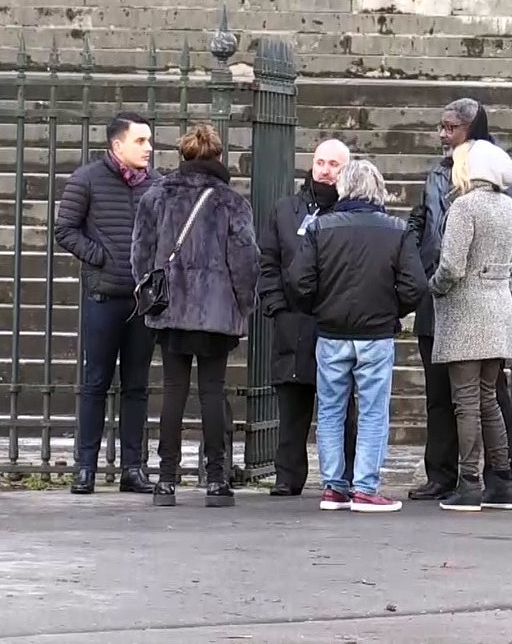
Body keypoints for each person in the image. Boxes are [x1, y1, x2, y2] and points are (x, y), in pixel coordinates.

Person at [407, 98, 512, 501]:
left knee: (481, 396)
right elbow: (423, 221)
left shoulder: (500, 178)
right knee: (442, 394)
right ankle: (447, 474)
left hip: (464, 296)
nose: (443, 135)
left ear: (472, 130)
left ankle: (483, 478)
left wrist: (477, 269)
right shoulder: (438, 174)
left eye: (451, 128)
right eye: (441, 126)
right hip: (452, 297)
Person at [288, 159, 426, 513]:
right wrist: (391, 311)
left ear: (342, 188)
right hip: (375, 334)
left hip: (331, 332)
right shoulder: (397, 230)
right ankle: (365, 487)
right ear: (378, 189)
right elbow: (415, 286)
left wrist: (320, 309)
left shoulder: (320, 228)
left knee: (330, 410)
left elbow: (299, 281)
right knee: (372, 411)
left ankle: (334, 487)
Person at [131, 123, 258, 508]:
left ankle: (165, 480)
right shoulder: (231, 202)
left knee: (173, 391)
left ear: (183, 155)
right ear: (218, 156)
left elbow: (140, 253)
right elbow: (246, 260)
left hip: (171, 307)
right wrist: (243, 303)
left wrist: (150, 289)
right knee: (212, 393)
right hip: (216, 310)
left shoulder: (156, 196)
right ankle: (217, 479)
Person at [54, 112, 162, 496]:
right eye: (140, 141)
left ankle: (133, 468)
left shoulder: (157, 185)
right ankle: (85, 467)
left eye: (149, 140)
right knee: (95, 383)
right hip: (103, 298)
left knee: (137, 386)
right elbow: (64, 229)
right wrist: (99, 257)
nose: (148, 148)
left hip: (142, 301)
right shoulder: (86, 179)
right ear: (117, 145)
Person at [257, 138, 358, 497]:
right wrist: (276, 305)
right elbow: (268, 260)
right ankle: (288, 475)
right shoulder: (287, 209)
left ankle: (344, 476)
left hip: (335, 321)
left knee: (341, 406)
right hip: (293, 320)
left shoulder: (352, 213)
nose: (325, 170)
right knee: (291, 402)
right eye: (320, 162)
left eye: (334, 164)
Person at [429, 140, 512, 512]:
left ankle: (468, 483)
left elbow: (451, 266)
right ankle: (502, 481)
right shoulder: (510, 206)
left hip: (466, 314)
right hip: (498, 313)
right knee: (489, 400)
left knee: (465, 402)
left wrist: (434, 286)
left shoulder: (464, 207)